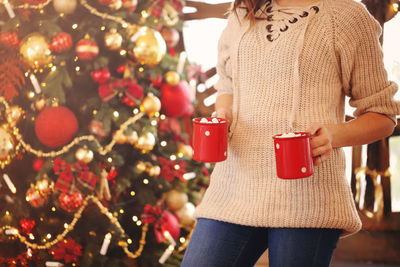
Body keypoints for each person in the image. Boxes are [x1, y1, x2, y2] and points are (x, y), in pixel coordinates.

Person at [181, 0, 400, 266]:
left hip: (308, 197)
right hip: (233, 188)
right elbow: (227, 87)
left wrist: (331, 136)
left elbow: (382, 116)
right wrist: (224, 112)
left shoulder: (348, 17)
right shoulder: (242, 11)